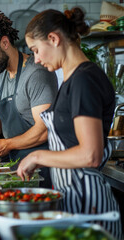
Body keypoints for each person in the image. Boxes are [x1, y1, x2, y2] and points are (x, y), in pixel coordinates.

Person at [17, 8, 122, 238]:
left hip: (89, 204)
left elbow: (90, 155)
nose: (36, 59)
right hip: (74, 198)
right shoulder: (72, 79)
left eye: (36, 50)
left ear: (53, 39)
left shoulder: (84, 80)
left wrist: (36, 156)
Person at [0, 10, 58, 188]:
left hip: (38, 170)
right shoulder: (1, 74)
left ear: (5, 42)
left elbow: (44, 130)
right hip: (16, 166)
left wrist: (7, 143)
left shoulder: (36, 73)